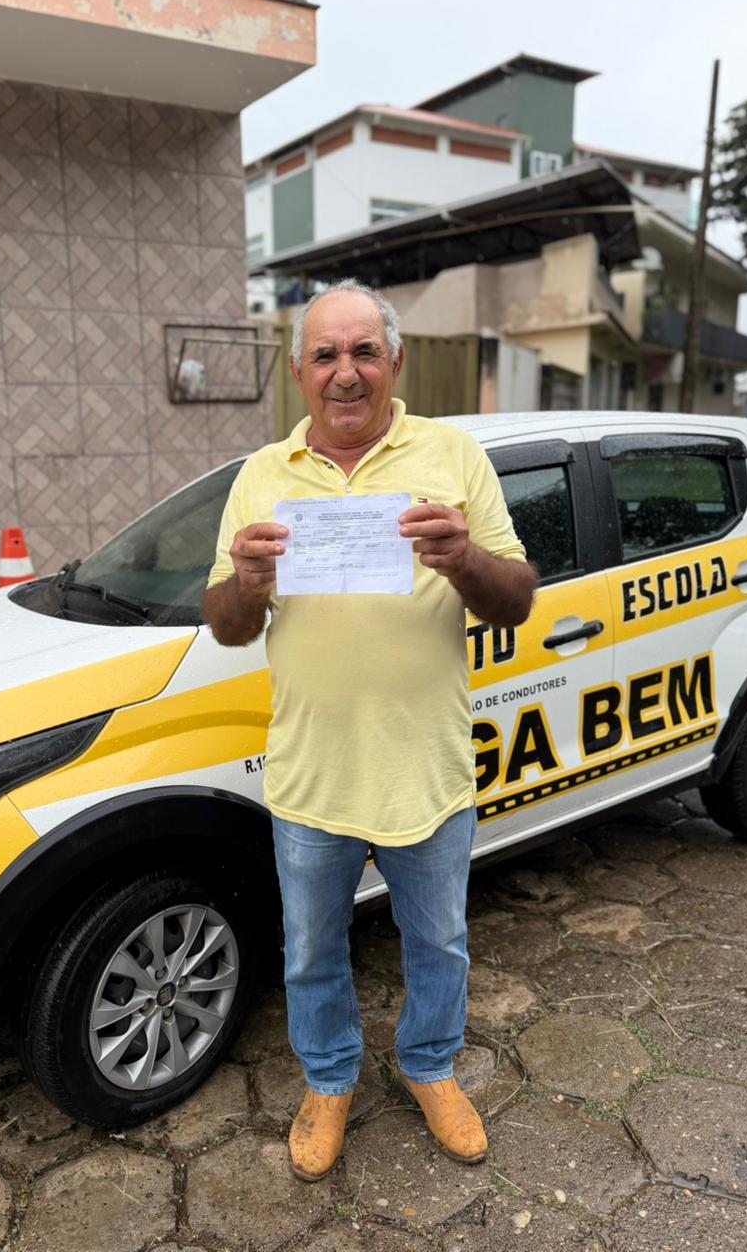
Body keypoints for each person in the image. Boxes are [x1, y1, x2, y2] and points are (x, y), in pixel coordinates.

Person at [203, 279, 537, 1181]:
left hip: (427, 769)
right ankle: (329, 1080)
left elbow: (515, 601)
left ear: (397, 361)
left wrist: (463, 558)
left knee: (441, 945)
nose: (345, 372)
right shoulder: (262, 475)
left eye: (363, 352)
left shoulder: (452, 454)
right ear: (299, 373)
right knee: (312, 952)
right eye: (325, 355)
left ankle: (431, 1067)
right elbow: (226, 623)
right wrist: (247, 583)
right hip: (312, 776)